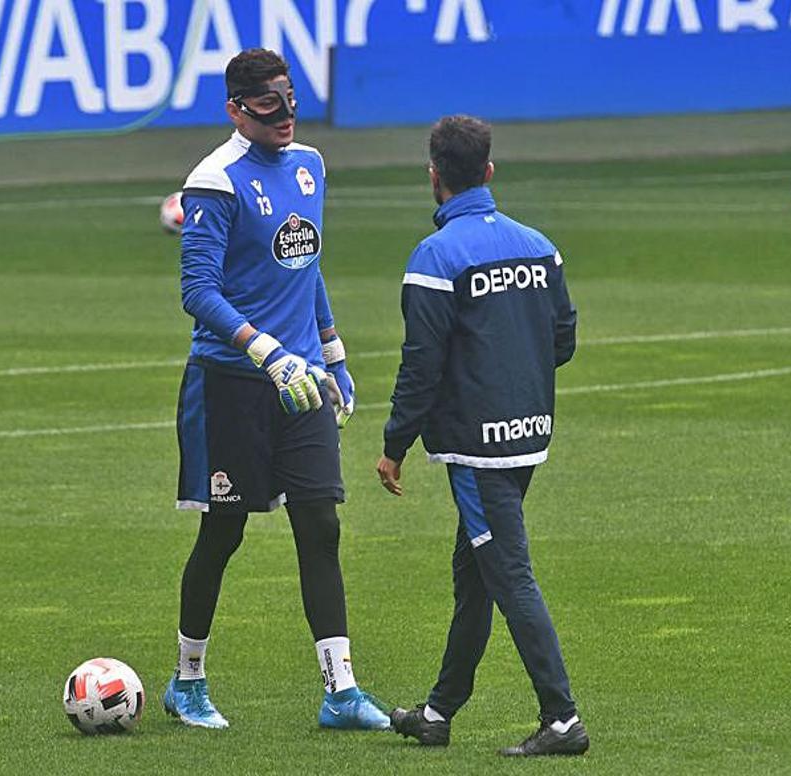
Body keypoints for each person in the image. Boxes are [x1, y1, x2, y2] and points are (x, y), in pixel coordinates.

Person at [164, 48, 387, 732]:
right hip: (232, 386)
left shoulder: (312, 166)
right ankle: (187, 680)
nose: (286, 119)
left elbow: (305, 263)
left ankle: (340, 691)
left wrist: (332, 353)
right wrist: (268, 355)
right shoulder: (215, 182)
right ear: (235, 109)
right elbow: (197, 291)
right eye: (268, 109)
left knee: (320, 524)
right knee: (222, 532)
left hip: (302, 385)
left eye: (291, 104)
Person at [375, 115, 588, 756]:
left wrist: (394, 444)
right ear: (489, 171)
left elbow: (422, 365)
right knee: (476, 574)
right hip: (528, 435)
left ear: (434, 175)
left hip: (477, 449)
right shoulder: (538, 245)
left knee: (509, 573)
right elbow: (563, 341)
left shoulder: (436, 257)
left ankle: (562, 720)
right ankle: (439, 712)